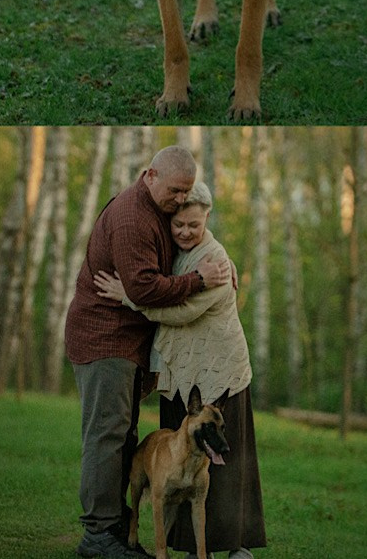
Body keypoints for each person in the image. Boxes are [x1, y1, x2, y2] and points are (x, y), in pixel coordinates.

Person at [65, 147, 232, 559]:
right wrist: (199, 278)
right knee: (106, 435)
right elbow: (143, 289)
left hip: (128, 342)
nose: (180, 199)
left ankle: (116, 526)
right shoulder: (132, 218)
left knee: (123, 435)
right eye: (174, 191)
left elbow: (184, 242)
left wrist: (220, 264)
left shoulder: (158, 210)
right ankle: (98, 536)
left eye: (186, 192)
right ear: (150, 175)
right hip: (104, 339)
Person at [95, 181, 263, 559]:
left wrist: (128, 297)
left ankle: (235, 546)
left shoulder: (216, 261)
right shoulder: (176, 249)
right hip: (182, 377)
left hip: (220, 373)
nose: (185, 232)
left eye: (194, 226)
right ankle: (186, 546)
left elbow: (182, 312)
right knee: (177, 460)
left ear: (207, 220)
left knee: (224, 460)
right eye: (179, 225)